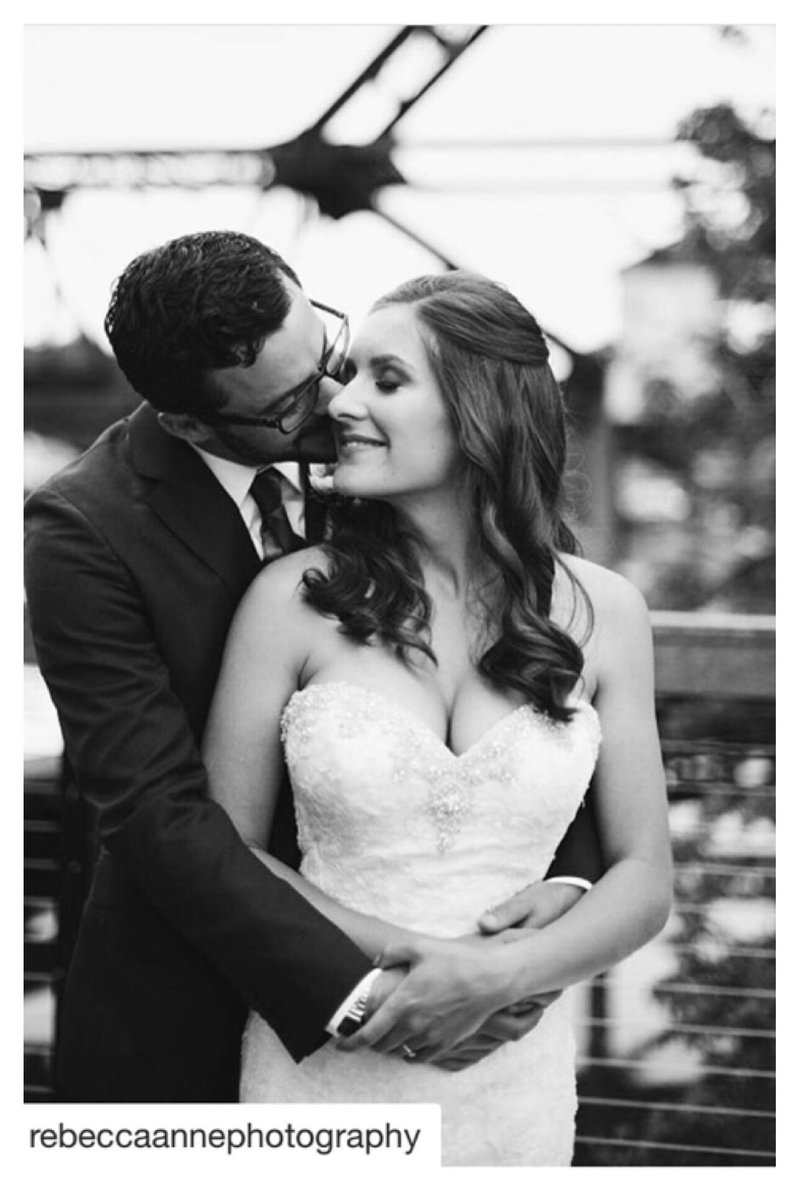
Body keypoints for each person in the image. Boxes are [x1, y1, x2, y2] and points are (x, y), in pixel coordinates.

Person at [24, 232, 603, 1103]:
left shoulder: (397, 453)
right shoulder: (83, 531)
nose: (336, 399)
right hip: (189, 1008)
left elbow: (540, 676)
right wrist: (388, 986)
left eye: (327, 351)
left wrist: (567, 880)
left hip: (472, 999)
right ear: (188, 421)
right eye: (294, 400)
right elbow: (156, 813)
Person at [202, 270, 673, 1165]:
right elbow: (228, 855)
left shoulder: (608, 612)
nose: (338, 402)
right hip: (328, 1065)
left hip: (513, 1072)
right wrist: (420, 964)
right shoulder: (288, 600)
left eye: (387, 378)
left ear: (480, 409)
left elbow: (644, 875)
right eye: (351, 374)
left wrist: (498, 976)